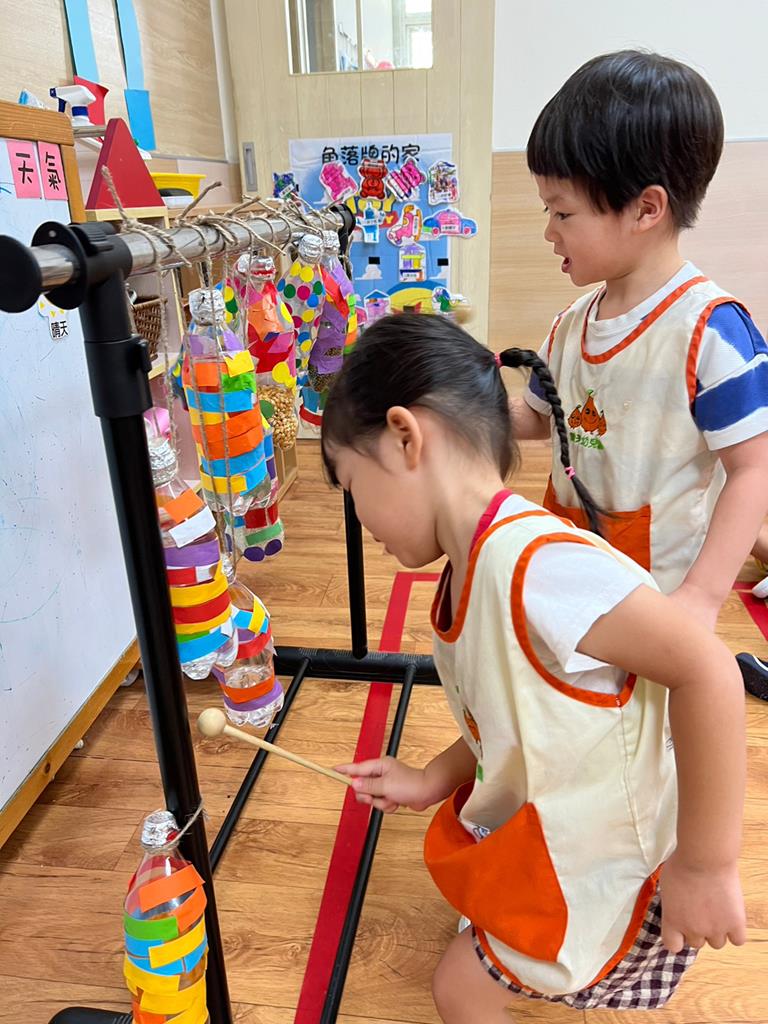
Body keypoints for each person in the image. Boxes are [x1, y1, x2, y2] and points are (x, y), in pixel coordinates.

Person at [321, 314, 746, 1023]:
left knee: (460, 987)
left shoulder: (537, 569)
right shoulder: (475, 566)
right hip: (556, 837)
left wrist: (705, 865)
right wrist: (430, 779)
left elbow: (708, 670)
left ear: (404, 436)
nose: (361, 518)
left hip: (611, 862)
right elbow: (514, 716)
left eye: (351, 484)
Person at [507, 51, 768, 697]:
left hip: (659, 603)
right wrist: (451, 400)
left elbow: (754, 470)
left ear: (647, 208)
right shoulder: (570, 324)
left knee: (647, 728)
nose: (548, 231)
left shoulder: (710, 331)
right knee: (571, 707)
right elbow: (536, 420)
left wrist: (703, 596)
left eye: (562, 212)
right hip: (570, 577)